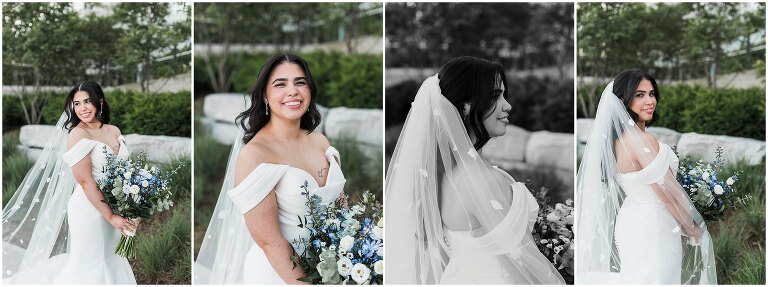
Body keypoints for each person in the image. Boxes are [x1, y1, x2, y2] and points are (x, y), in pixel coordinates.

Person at [385, 56, 565, 284]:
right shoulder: (480, 180)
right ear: (465, 106)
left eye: (503, 95)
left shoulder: (442, 175)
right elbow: (524, 265)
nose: (507, 105)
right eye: (494, 97)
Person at [195, 53, 346, 284]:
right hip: (280, 274)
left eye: (300, 82)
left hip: (333, 268)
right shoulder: (255, 156)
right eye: (280, 84)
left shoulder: (320, 142)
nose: (293, 91)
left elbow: (342, 209)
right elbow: (270, 241)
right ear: (265, 96)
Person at [575, 69, 716, 284]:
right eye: (639, 95)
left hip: (632, 219)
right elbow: (667, 193)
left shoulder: (614, 141)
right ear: (623, 99)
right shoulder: (641, 140)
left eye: (652, 94)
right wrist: (692, 227)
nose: (650, 100)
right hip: (655, 225)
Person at [3, 81, 137, 284]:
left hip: (117, 205)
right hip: (89, 210)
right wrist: (110, 217)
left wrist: (134, 209)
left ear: (99, 102)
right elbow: (85, 180)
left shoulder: (114, 130)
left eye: (87, 101)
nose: (82, 108)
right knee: (90, 265)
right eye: (77, 103)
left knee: (112, 259)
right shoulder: (77, 134)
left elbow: (127, 173)